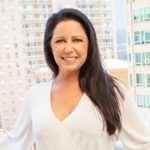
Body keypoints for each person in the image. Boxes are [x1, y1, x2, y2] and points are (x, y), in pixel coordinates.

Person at [0, 8, 150, 150]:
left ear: (89, 45)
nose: (68, 48)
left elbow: (143, 145)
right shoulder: (35, 94)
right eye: (60, 41)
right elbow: (14, 143)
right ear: (50, 46)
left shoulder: (112, 90)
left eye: (77, 40)